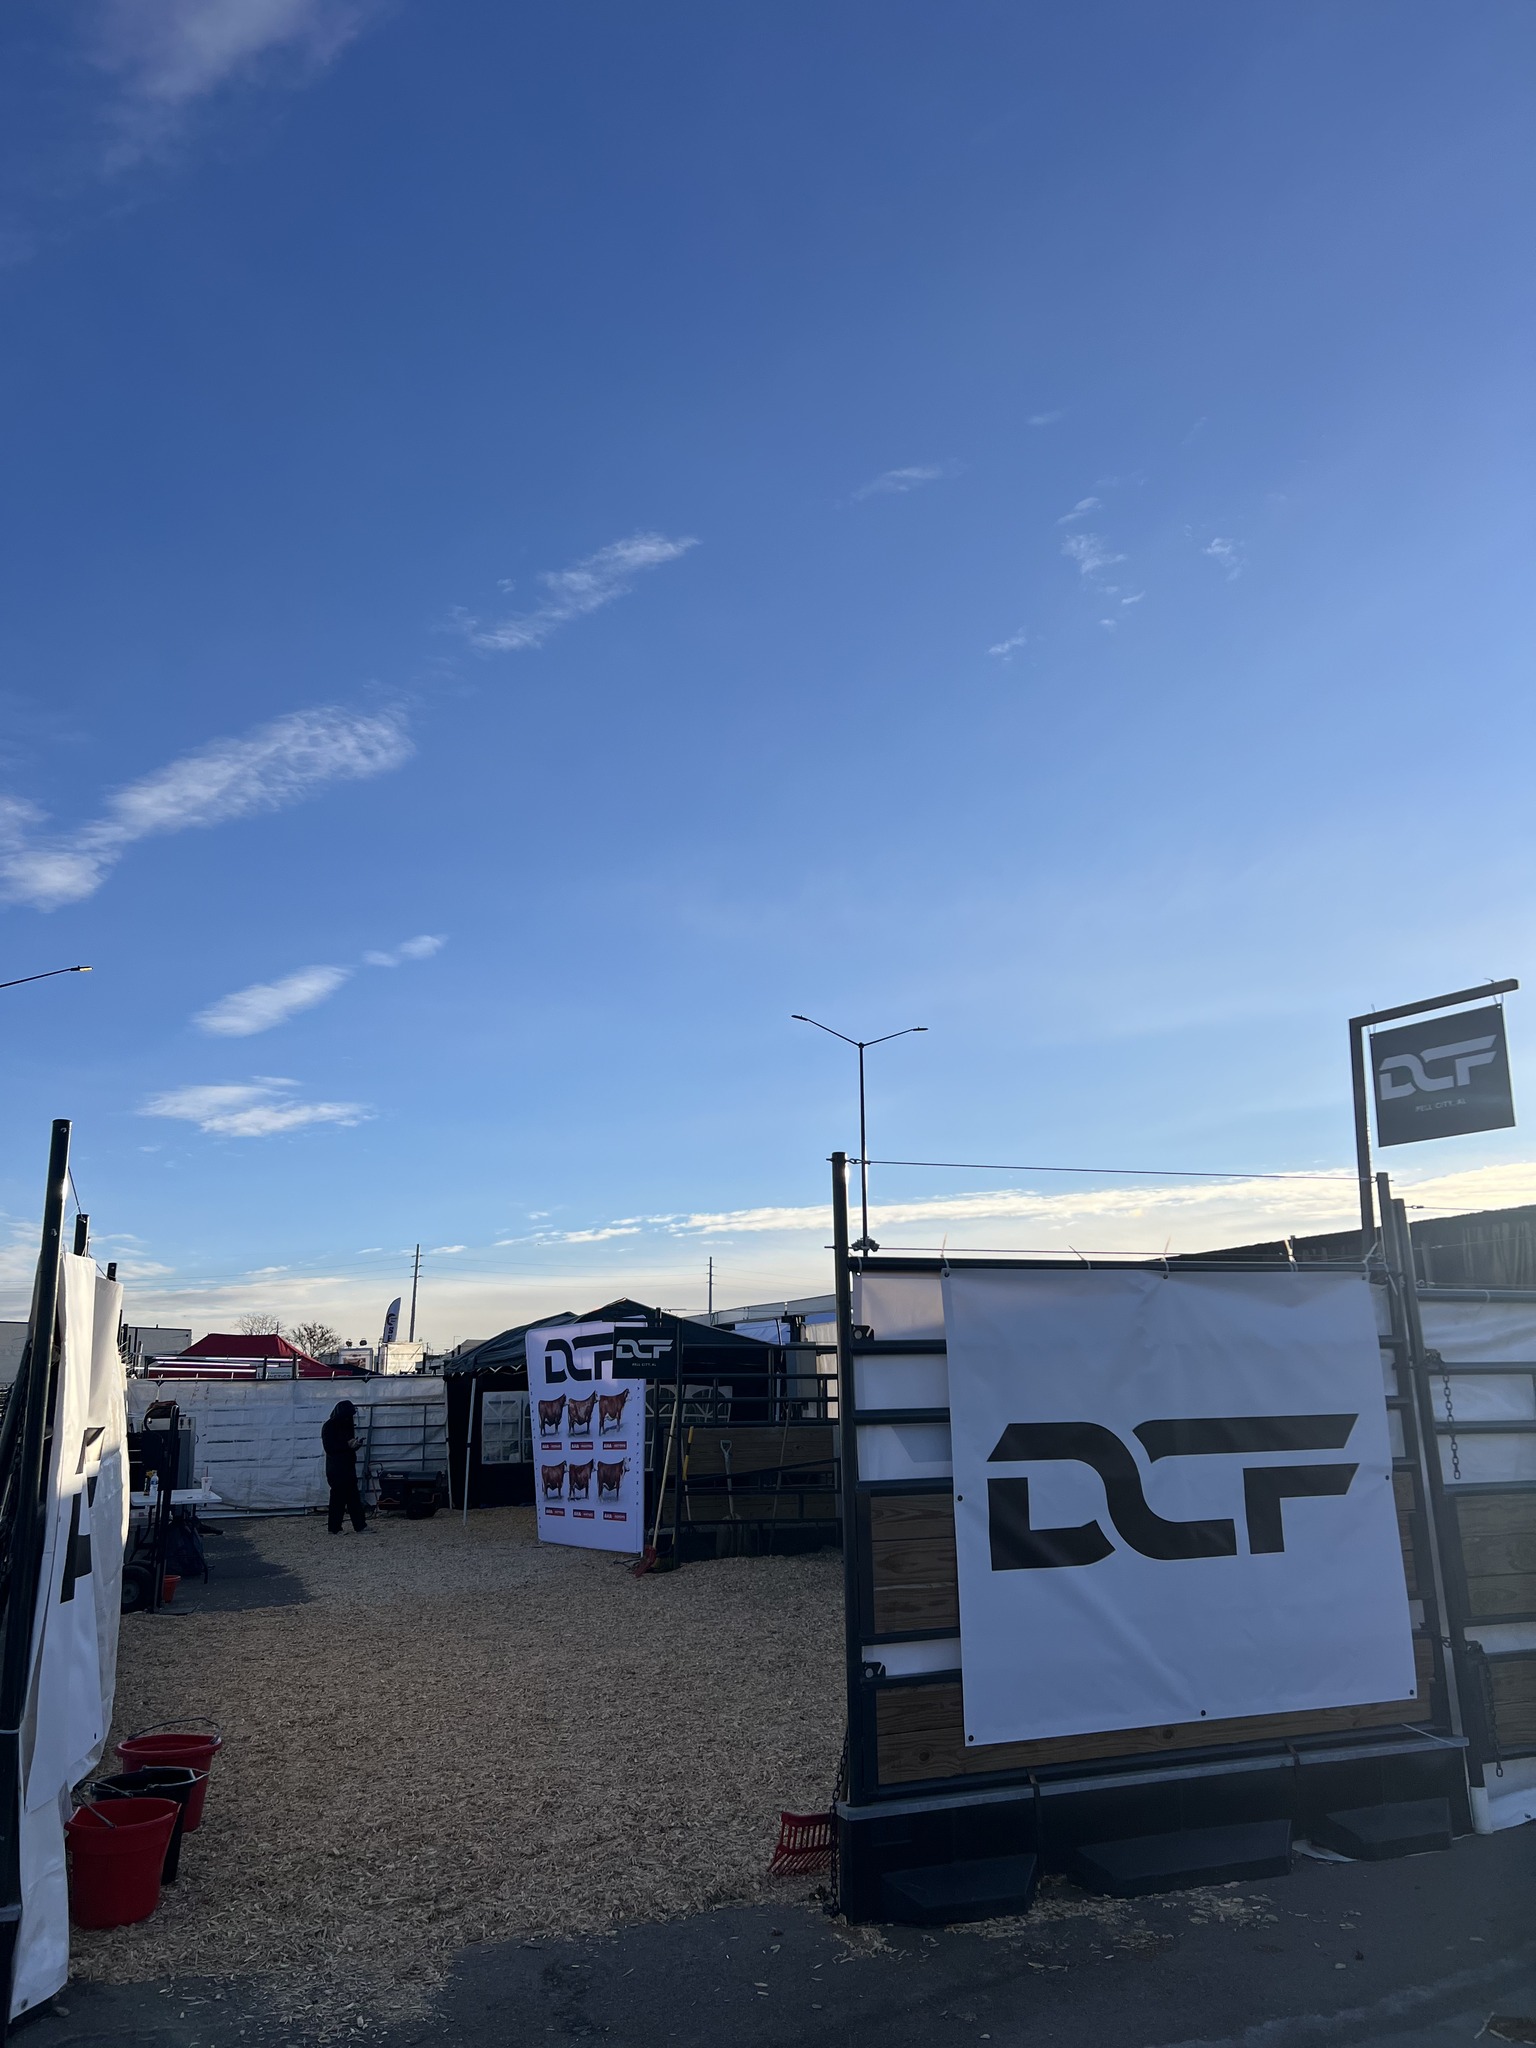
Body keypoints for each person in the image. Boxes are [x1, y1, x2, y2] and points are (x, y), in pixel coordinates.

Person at [322, 1398, 369, 1534]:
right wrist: (348, 1445)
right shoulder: (329, 1426)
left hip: (347, 1465)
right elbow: (329, 1448)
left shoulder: (346, 1425)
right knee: (338, 1499)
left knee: (353, 1498)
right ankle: (335, 1528)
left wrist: (354, 1446)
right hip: (336, 1468)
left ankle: (360, 1526)